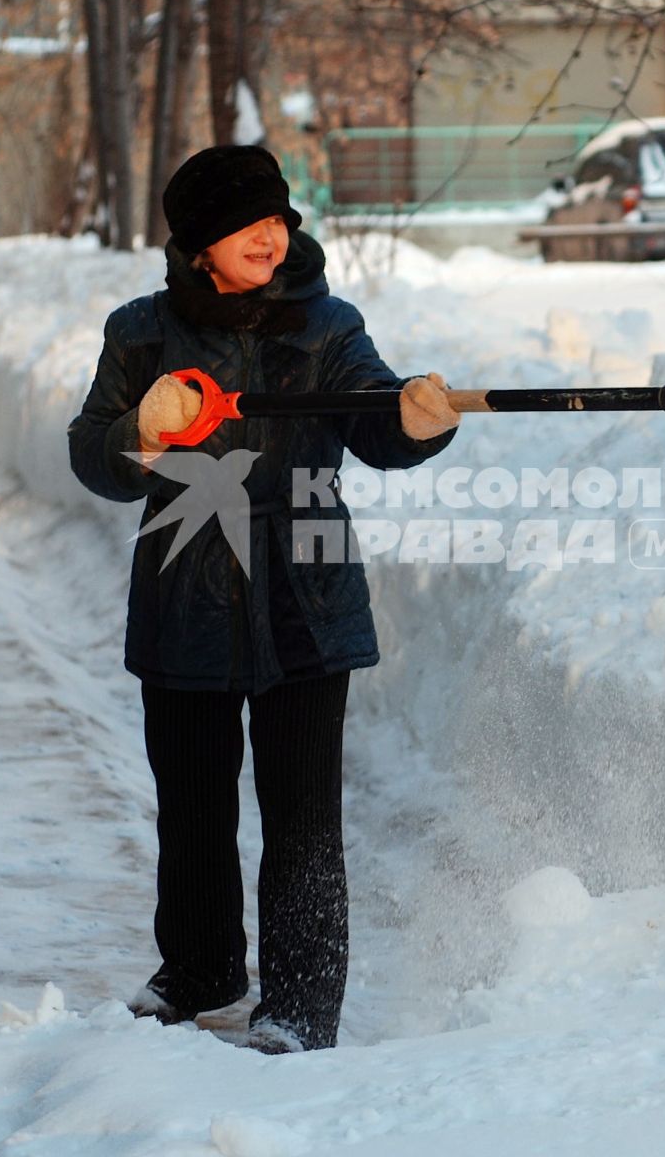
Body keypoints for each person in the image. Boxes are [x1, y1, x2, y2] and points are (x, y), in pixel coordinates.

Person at [66, 144, 460, 1053]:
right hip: (185, 592)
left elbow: (374, 419)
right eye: (250, 224)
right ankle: (202, 970)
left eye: (279, 220)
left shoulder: (327, 326)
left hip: (306, 594)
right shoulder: (140, 335)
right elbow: (95, 459)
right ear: (200, 242)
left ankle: (302, 1003)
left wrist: (410, 421)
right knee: (194, 805)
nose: (271, 238)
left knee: (303, 814)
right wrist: (145, 429)